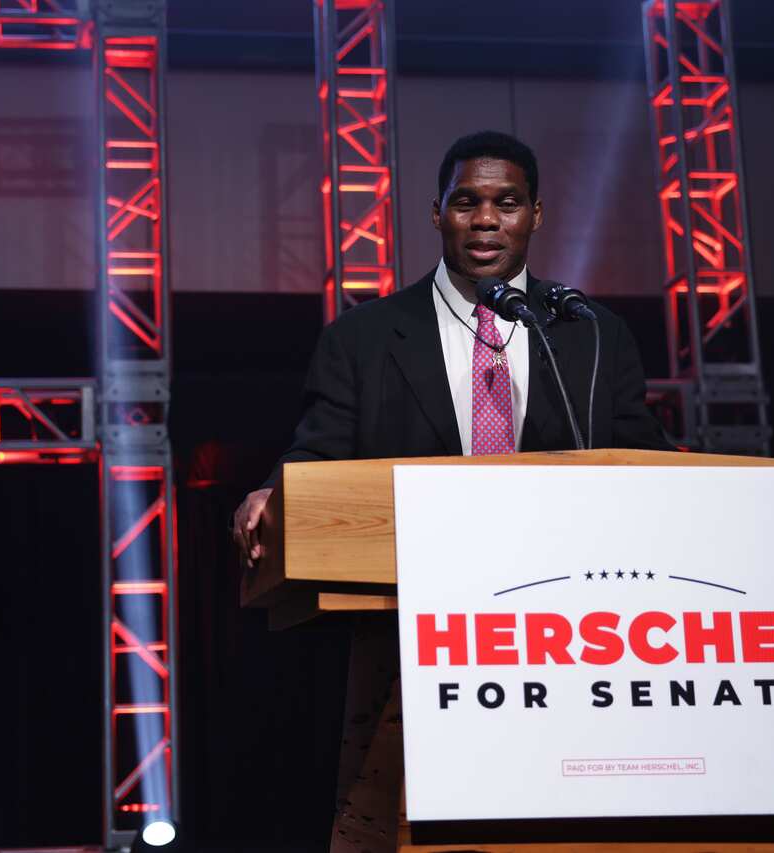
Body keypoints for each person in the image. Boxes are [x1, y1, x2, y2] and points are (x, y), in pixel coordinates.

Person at [229, 130, 673, 852]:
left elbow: (644, 457)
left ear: (536, 214)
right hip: (412, 649)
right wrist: (273, 490)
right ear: (437, 214)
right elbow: (317, 451)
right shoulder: (365, 338)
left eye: (507, 202)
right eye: (467, 201)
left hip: (569, 649)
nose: (487, 218)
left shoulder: (594, 337)